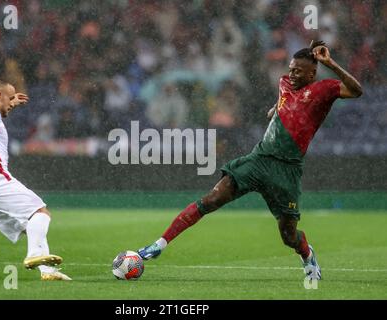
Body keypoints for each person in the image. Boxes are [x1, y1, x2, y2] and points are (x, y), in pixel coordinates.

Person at [137, 41, 363, 281]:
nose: (292, 74)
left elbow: (356, 90)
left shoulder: (324, 90)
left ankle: (307, 255)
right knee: (212, 198)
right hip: (259, 159)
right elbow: (285, 100)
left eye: (298, 71)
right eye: (290, 69)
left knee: (288, 236)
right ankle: (159, 244)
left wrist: (330, 63)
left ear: (312, 73)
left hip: (286, 170)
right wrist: (275, 108)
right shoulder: (284, 83)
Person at [0, 79, 71, 281]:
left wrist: (11, 101)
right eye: (8, 97)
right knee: (41, 213)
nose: (11, 103)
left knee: (31, 226)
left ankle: (48, 273)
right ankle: (33, 255)